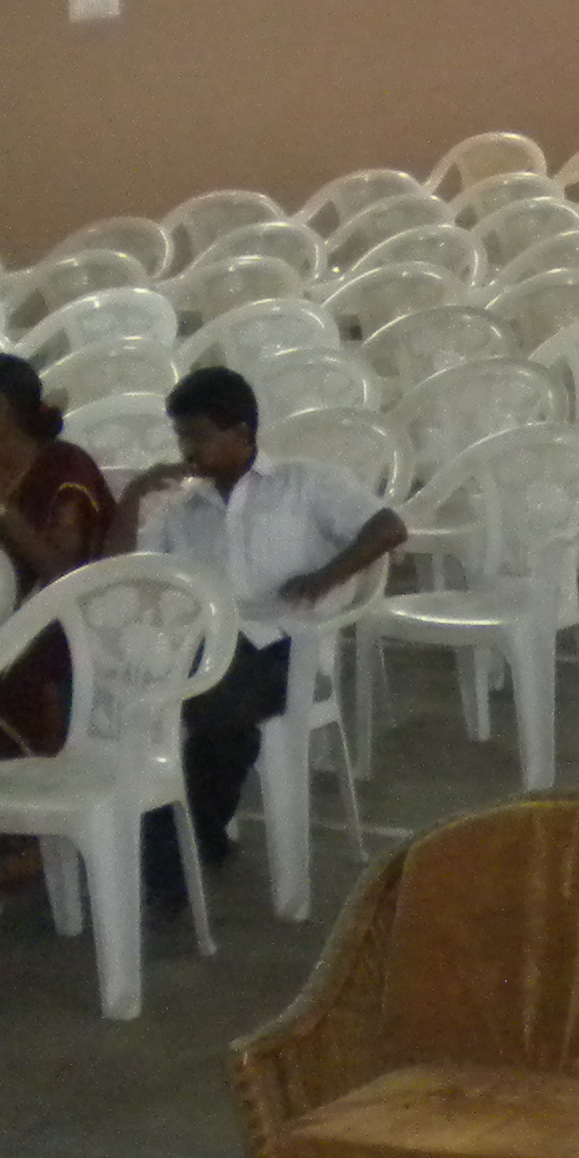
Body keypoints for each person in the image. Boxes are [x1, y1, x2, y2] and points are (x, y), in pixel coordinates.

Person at [110, 365, 406, 901]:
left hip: (286, 646)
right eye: (181, 437)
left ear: (241, 432)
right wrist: (133, 496)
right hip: (208, 645)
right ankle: (183, 843)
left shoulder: (304, 483)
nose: (188, 451)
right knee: (136, 701)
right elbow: (124, 575)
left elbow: (388, 527)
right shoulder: (184, 508)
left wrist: (326, 577)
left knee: (216, 708)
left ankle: (176, 854)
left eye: (199, 436)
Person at [0, 351, 114, 758]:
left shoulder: (67, 467)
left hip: (76, 619)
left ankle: (28, 782)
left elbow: (64, 574)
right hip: (6, 610)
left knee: (7, 670)